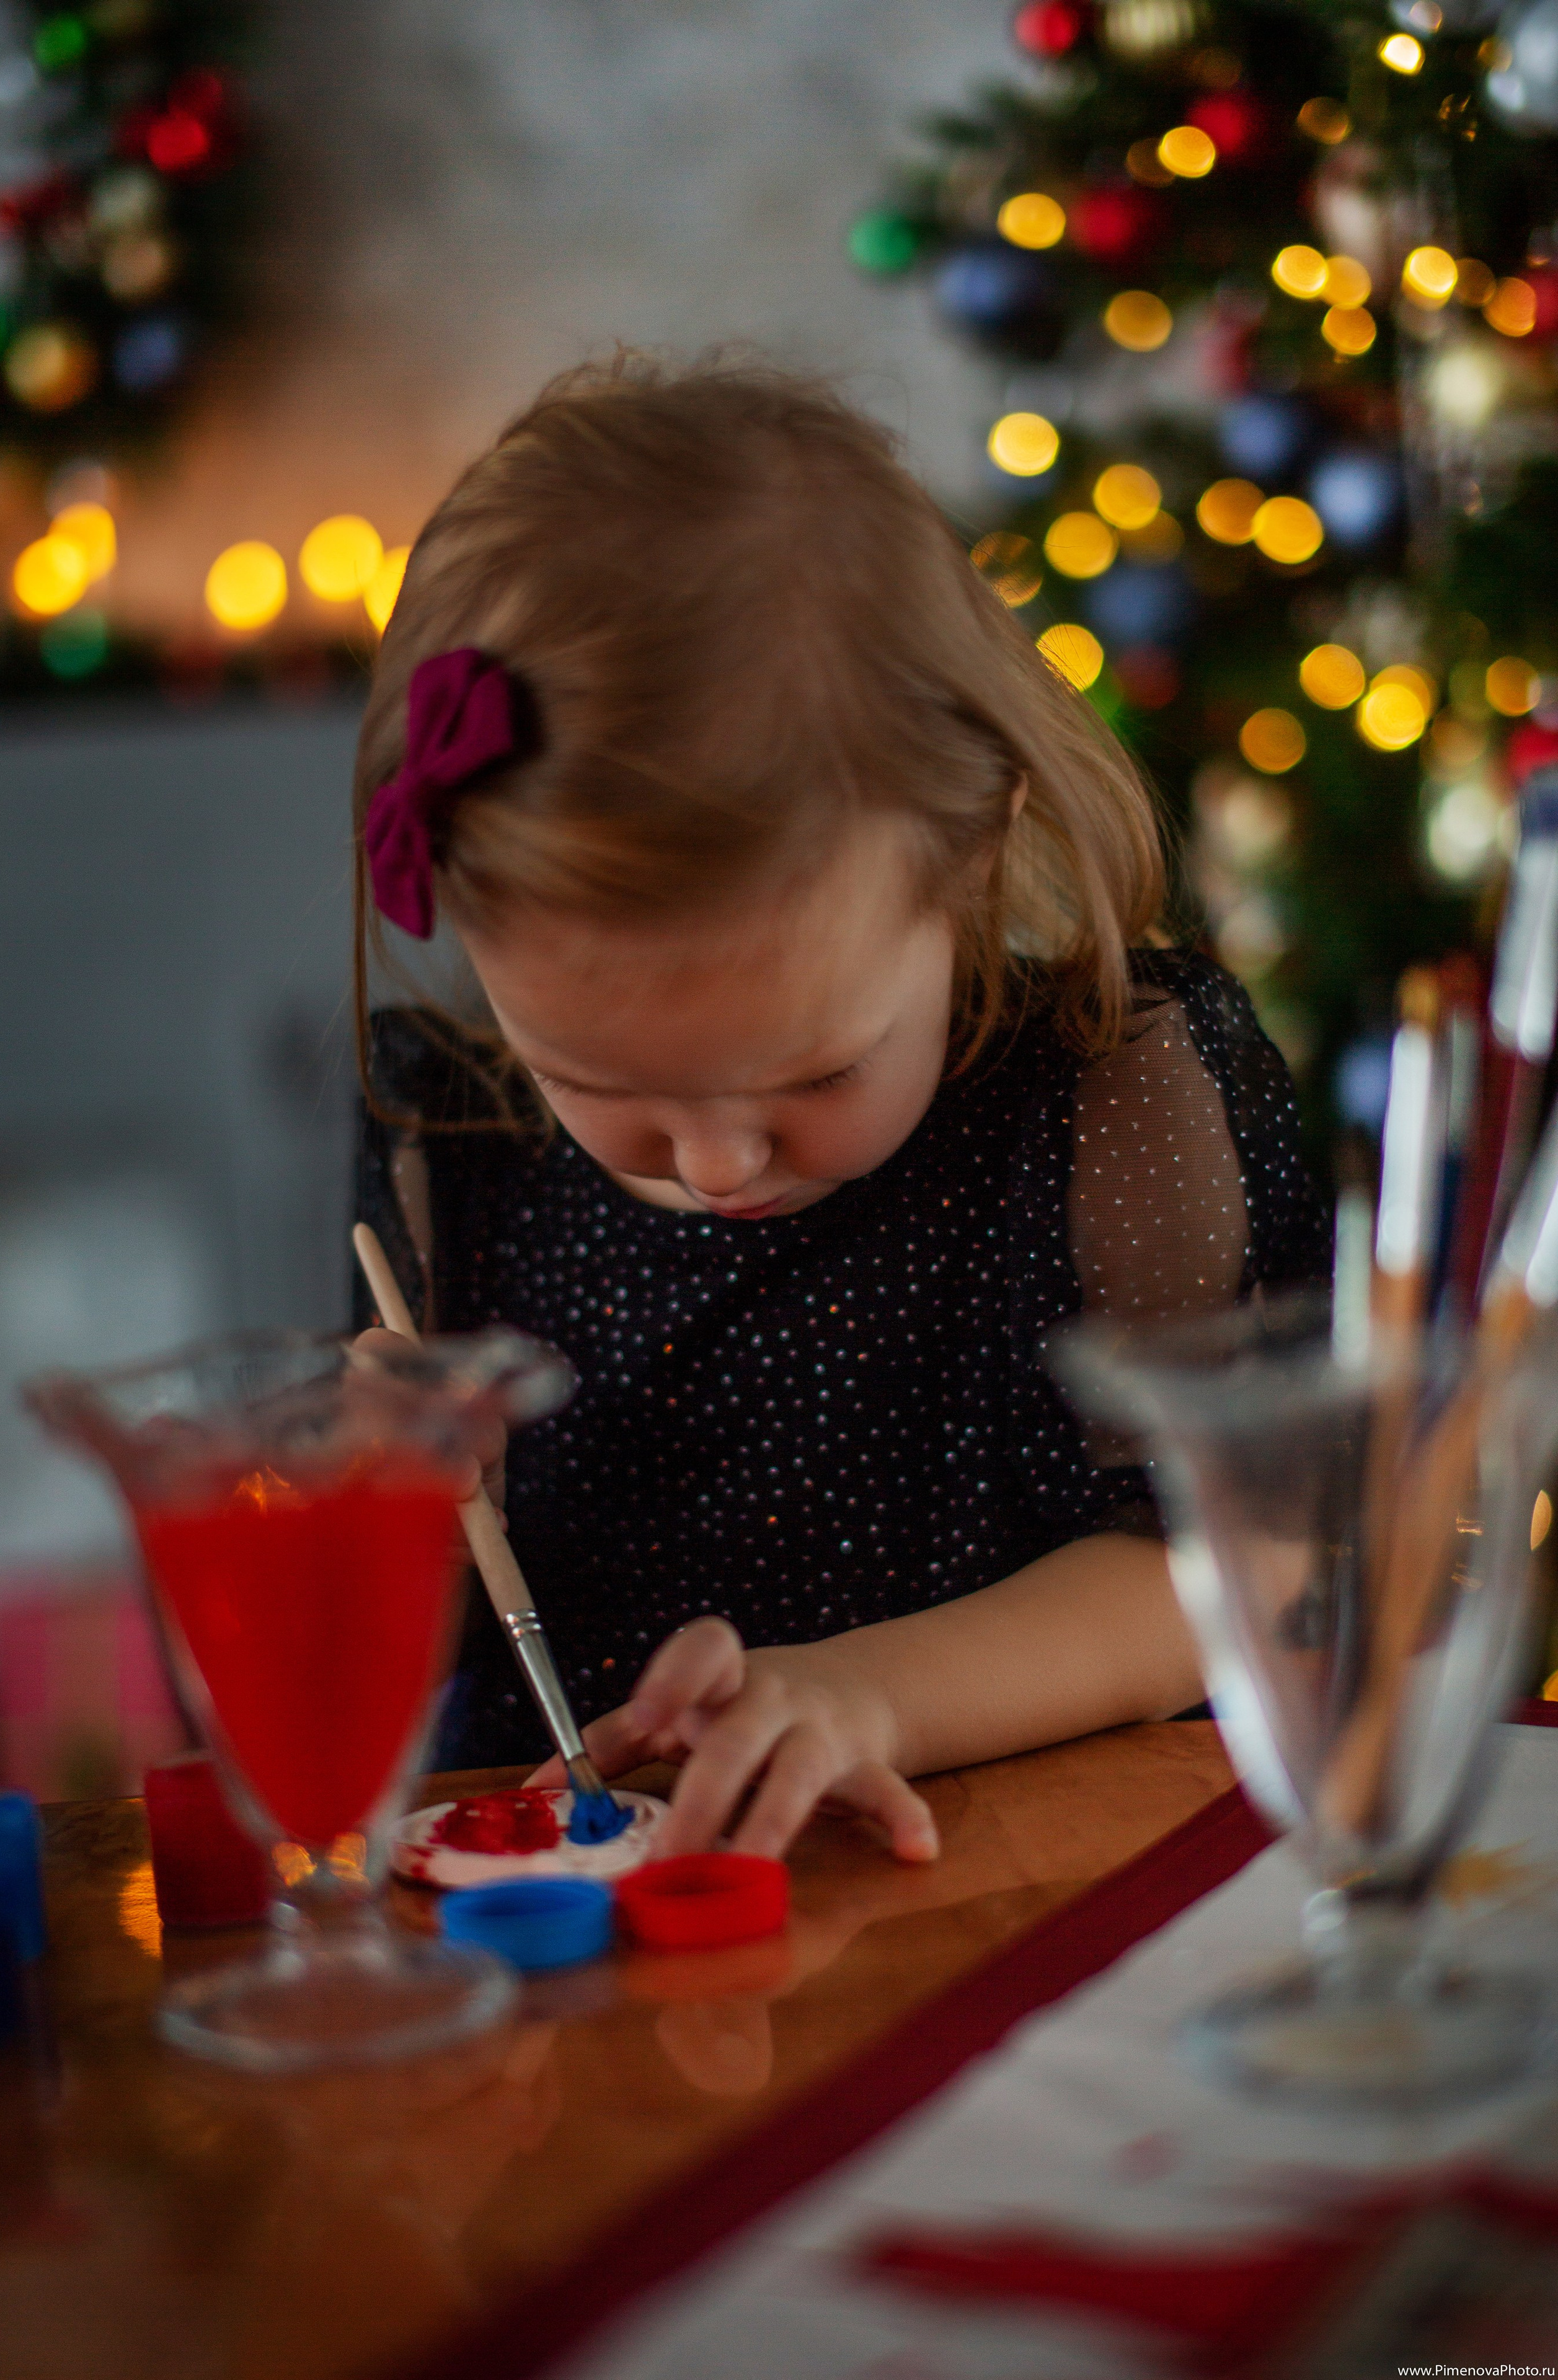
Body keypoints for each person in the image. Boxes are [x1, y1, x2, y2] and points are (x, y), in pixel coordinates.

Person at [352, 354, 1327, 1866]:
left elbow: (1238, 1570)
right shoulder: (453, 1152)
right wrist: (376, 1525)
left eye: (814, 1073)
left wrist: (865, 1699)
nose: (720, 1161)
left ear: (969, 850)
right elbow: (387, 1696)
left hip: (1013, 1926)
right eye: (601, 1084)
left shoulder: (1115, 1106)